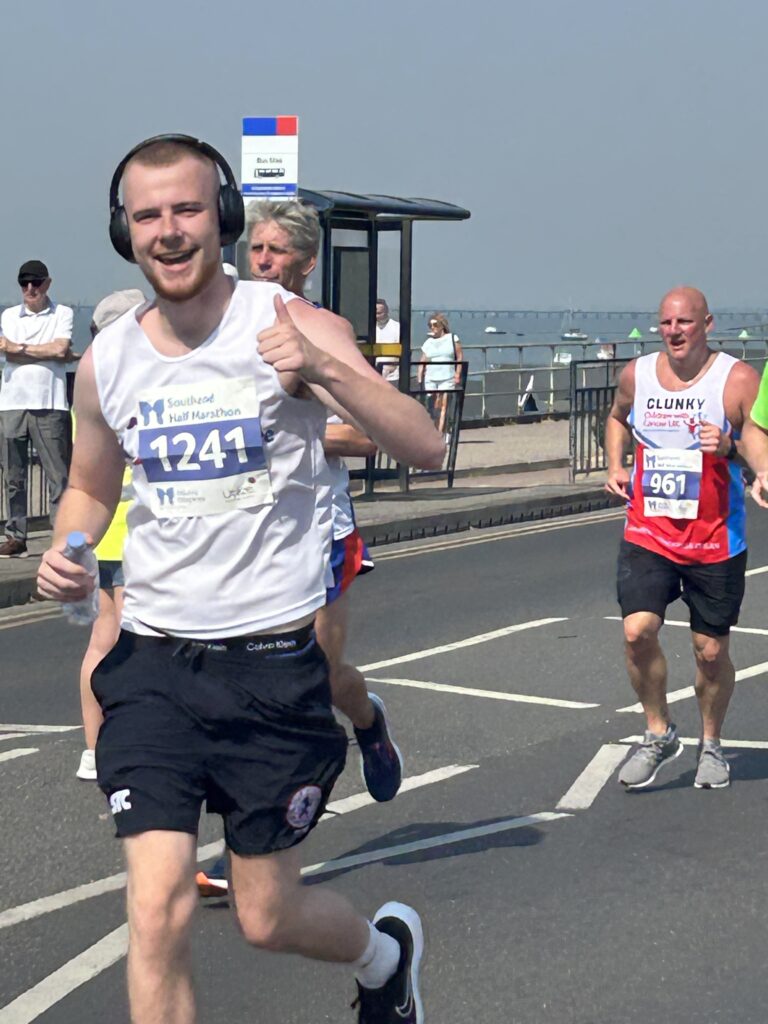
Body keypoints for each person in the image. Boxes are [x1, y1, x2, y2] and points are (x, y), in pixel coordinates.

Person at [37, 134, 443, 1024]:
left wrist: (323, 367)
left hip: (271, 671)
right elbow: (90, 482)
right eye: (148, 216)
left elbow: (422, 442)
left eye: (187, 210)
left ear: (221, 217)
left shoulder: (288, 323)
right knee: (157, 908)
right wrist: (68, 546)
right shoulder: (111, 358)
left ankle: (384, 957)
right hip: (152, 667)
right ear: (125, 233)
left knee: (265, 916)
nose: (169, 232)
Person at [196, 200, 404, 898]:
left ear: (307, 262)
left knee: (316, 672)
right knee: (235, 682)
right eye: (255, 248)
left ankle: (368, 722)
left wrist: (285, 434)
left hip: (319, 530)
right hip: (246, 531)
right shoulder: (223, 330)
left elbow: (368, 433)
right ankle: (244, 844)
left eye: (277, 251)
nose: (262, 261)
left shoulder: (322, 333)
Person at [605, 286, 759, 791]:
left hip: (715, 539)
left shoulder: (735, 379)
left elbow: (758, 441)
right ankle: (658, 732)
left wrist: (734, 449)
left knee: (709, 652)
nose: (674, 331)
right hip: (649, 530)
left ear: (707, 324)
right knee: (636, 631)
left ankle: (710, 744)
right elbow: (616, 416)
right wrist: (616, 464)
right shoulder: (638, 374)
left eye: (685, 323)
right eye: (667, 323)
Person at [75, 289, 145, 781]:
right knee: (142, 645)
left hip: (101, 534)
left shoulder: (91, 380)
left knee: (102, 641)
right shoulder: (141, 379)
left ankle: (95, 747)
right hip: (139, 532)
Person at [0, 260, 73, 557]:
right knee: (13, 477)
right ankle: (15, 535)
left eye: (36, 283)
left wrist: (18, 349)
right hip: (12, 404)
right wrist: (47, 353)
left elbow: (59, 349)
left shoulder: (64, 313)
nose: (30, 289)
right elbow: (56, 352)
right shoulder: (8, 315)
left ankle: (63, 535)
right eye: (24, 283)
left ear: (47, 284)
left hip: (50, 403)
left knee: (58, 476)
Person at [418, 312, 463, 436]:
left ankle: (440, 433)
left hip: (447, 376)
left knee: (443, 405)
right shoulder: (428, 342)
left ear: (442, 325)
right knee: (432, 406)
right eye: (430, 325)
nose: (432, 327)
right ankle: (433, 430)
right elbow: (423, 360)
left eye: (435, 324)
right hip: (431, 378)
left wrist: (457, 374)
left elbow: (459, 357)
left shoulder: (452, 338)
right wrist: (420, 377)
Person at [375, 299, 400, 383]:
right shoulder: (369, 329)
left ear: (387, 311)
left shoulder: (397, 327)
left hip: (392, 375)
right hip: (373, 374)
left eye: (379, 313)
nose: (377, 316)